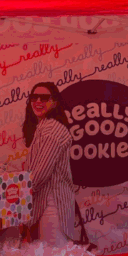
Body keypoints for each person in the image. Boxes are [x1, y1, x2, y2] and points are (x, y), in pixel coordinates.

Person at [21, 82, 76, 246]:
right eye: (34, 97)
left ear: (55, 102)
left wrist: (15, 197)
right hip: (43, 205)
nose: (38, 101)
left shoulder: (52, 128)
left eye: (44, 98)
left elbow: (40, 174)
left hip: (52, 207)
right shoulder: (43, 126)